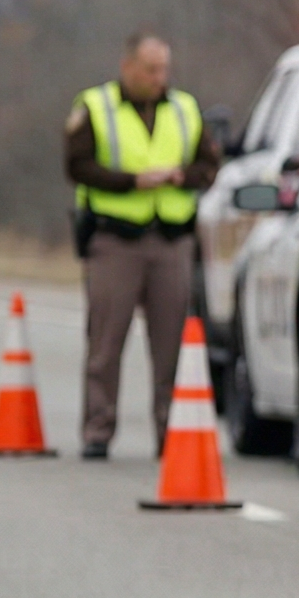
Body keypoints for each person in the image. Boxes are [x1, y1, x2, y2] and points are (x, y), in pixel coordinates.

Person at [64, 30, 221, 460]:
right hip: (115, 237)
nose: (159, 77)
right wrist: (132, 182)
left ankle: (172, 432)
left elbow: (209, 165)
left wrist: (178, 177)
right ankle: (98, 429)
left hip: (171, 238)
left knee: (171, 343)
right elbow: (77, 166)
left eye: (164, 69)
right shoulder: (96, 108)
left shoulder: (185, 108)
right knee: (106, 341)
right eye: (151, 69)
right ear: (128, 67)